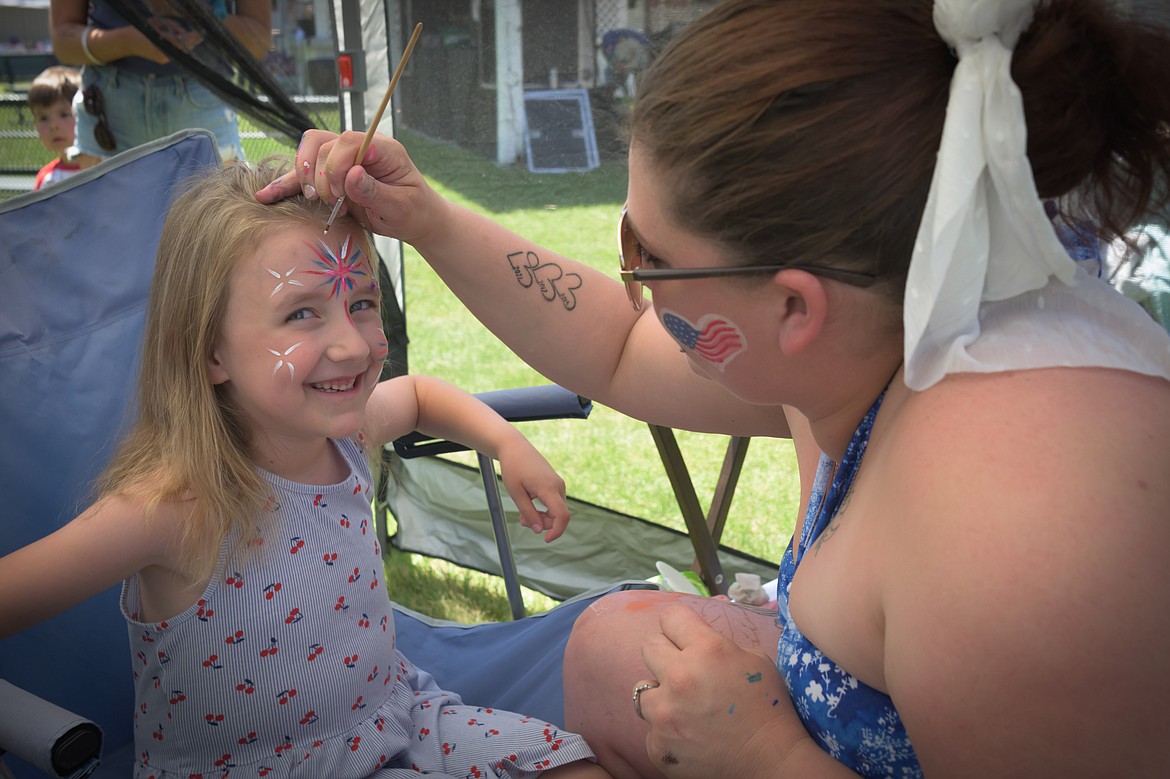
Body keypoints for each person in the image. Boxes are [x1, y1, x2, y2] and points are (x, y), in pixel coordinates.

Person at [258, 0, 1170, 776]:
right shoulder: (890, 321)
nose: (632, 286)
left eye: (650, 259)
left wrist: (769, 755)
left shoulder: (1019, 531)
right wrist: (426, 220)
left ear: (793, 305)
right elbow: (618, 348)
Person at [0, 158, 612, 779]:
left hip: (394, 716)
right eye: (302, 313)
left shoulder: (345, 435)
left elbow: (422, 395)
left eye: (363, 301)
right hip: (267, 767)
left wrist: (506, 445)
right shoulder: (171, 508)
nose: (352, 345)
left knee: (578, 770)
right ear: (212, 351)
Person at [48, 0, 269, 166]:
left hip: (202, 101)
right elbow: (63, 41)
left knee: (210, 226)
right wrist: (130, 41)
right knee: (111, 225)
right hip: (110, 114)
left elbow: (258, 39)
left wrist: (199, 19)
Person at [27, 65, 83, 189]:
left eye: (64, 115)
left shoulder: (107, 171)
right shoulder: (46, 179)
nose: (53, 126)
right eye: (43, 118)